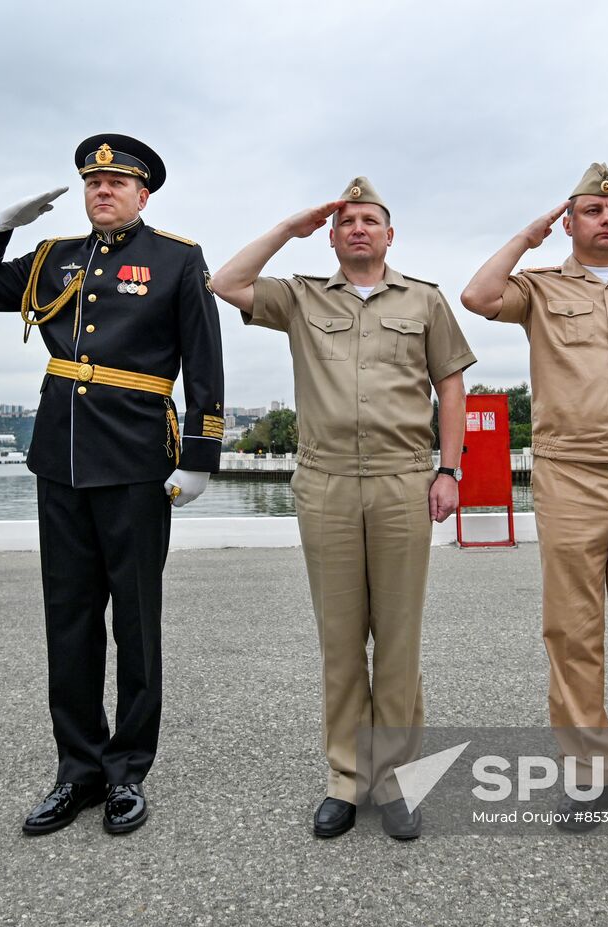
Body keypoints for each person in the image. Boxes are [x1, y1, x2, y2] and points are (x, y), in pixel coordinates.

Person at [0, 134, 224, 836]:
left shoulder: (176, 258)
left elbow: (204, 361)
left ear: (143, 194)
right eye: (93, 180)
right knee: (67, 621)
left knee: (134, 621)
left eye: (116, 182)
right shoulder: (52, 258)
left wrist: (200, 453)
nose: (101, 190)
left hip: (135, 459)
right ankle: (77, 768)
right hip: (59, 458)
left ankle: (128, 769)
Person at [212, 177, 474, 840]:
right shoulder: (301, 296)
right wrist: (289, 227)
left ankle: (394, 781)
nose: (358, 228)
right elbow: (226, 282)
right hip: (325, 483)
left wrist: (450, 469)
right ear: (332, 235)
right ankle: (344, 779)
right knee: (339, 641)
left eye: (370, 220)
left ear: (391, 235)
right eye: (347, 220)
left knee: (398, 640)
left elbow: (450, 386)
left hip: (402, 482)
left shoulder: (425, 300)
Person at [460, 164, 608, 833]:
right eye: (592, 209)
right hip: (571, 472)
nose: (607, 219)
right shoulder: (537, 287)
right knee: (573, 629)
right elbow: (477, 296)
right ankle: (589, 777)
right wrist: (528, 238)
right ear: (569, 221)